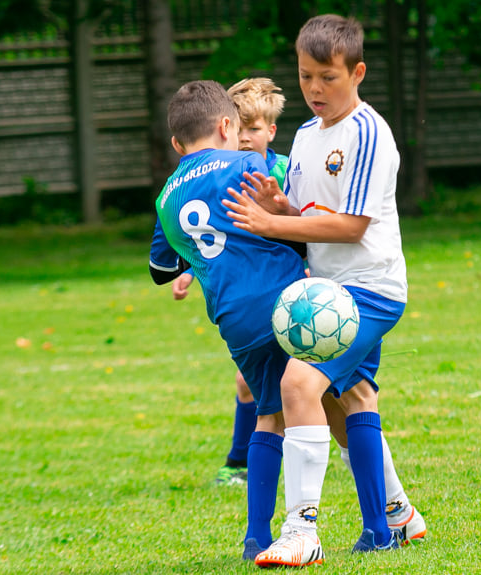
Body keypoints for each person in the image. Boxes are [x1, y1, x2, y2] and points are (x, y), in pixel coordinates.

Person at [223, 14, 426, 566]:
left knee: (297, 383)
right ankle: (395, 517)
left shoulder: (367, 132)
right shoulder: (307, 135)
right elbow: (309, 213)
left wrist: (274, 225)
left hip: (371, 288)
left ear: (356, 72)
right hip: (327, 291)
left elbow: (351, 225)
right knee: (352, 400)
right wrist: (278, 205)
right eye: (306, 76)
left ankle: (301, 530)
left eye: (328, 78)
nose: (315, 89)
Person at [149, 79, 307, 561]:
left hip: (234, 318)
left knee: (268, 414)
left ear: (177, 145)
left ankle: (255, 537)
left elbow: (160, 269)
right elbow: (291, 223)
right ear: (227, 126)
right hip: (287, 299)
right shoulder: (251, 163)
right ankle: (370, 520)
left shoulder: (165, 198)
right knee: (342, 396)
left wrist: (196, 263)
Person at [168, 77, 290, 486]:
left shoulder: (281, 171)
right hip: (258, 302)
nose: (245, 138)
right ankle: (242, 461)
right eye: (241, 128)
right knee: (263, 393)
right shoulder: (228, 173)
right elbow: (219, 240)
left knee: (296, 394)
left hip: (287, 291)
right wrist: (188, 270)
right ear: (227, 127)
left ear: (270, 131)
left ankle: (275, 457)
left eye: (253, 130)